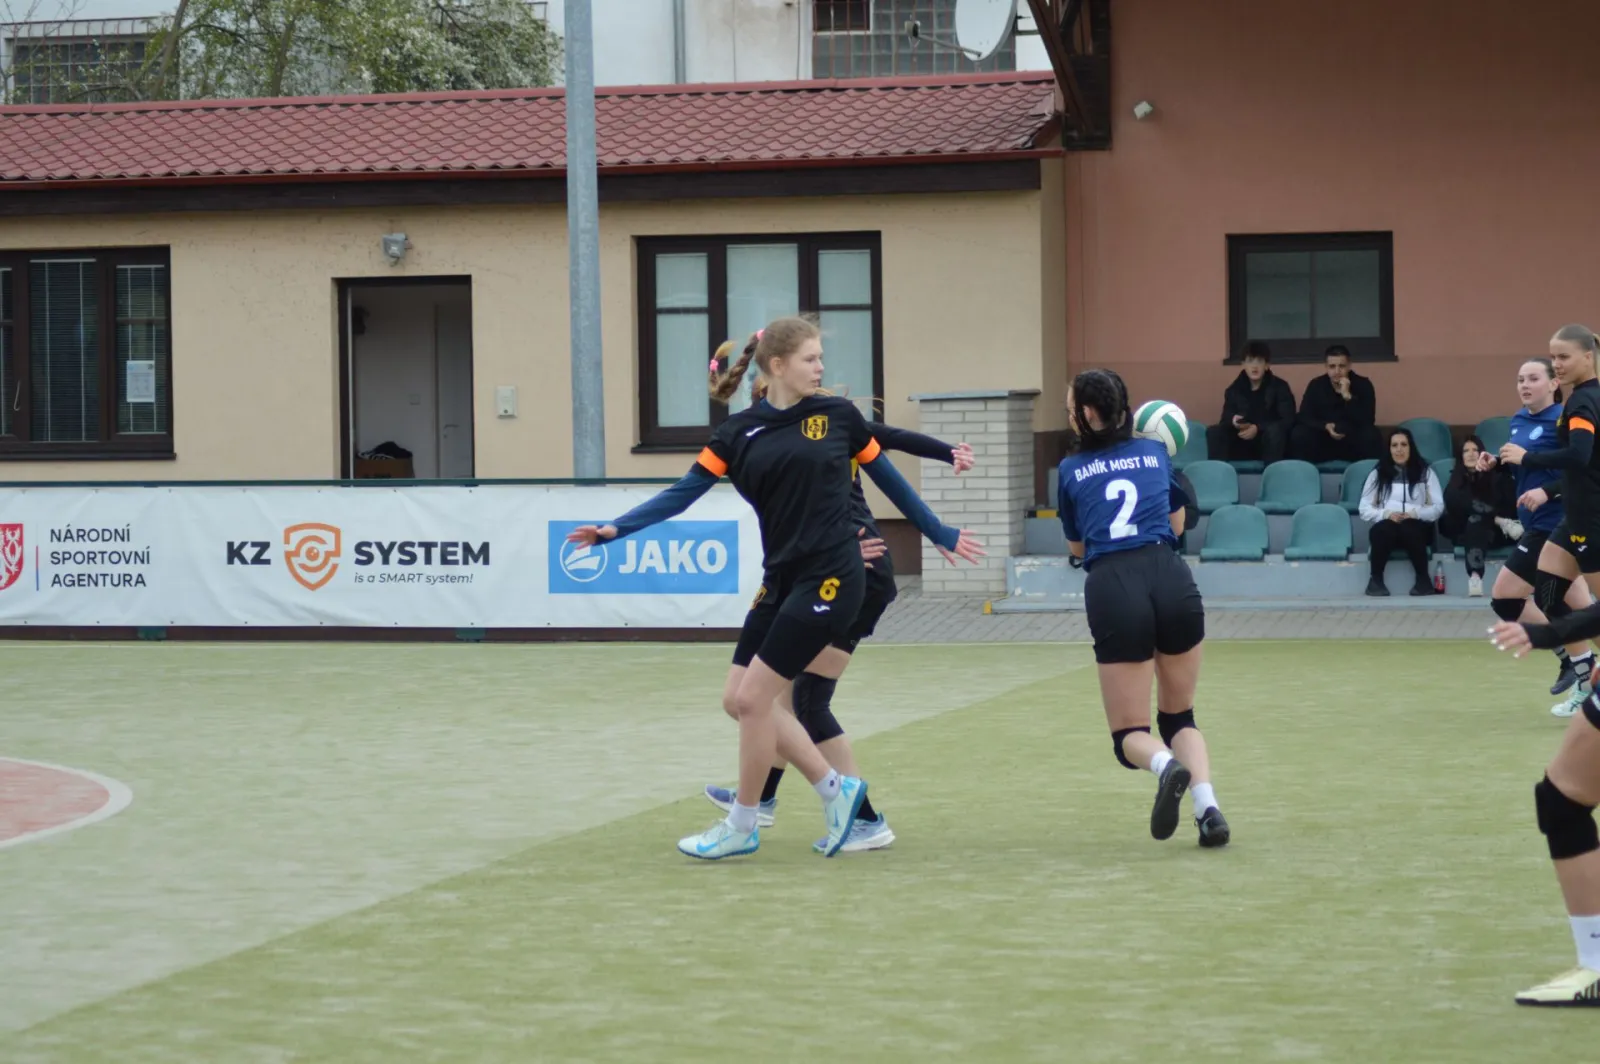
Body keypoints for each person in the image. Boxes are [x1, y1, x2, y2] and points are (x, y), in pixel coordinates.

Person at [566, 316, 982, 861]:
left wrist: (938, 531)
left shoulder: (838, 417)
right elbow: (683, 493)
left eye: (820, 357)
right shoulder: (736, 434)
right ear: (778, 366)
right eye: (811, 358)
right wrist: (616, 529)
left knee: (760, 699)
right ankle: (836, 793)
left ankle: (748, 820)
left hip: (833, 574)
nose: (821, 367)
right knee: (737, 700)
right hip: (781, 577)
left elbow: (890, 479)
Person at [703, 365, 977, 853]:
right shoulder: (777, 430)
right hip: (826, 567)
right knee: (778, 697)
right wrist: (945, 453)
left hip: (853, 570)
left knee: (798, 700)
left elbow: (890, 443)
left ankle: (863, 818)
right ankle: (762, 797)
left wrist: (945, 459)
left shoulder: (827, 421)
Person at [1056, 367, 1229, 848]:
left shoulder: (1070, 470)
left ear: (1088, 413)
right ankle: (1209, 810)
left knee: (1129, 735)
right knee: (1179, 717)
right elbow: (1178, 526)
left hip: (1114, 584)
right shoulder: (1154, 453)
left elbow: (1076, 548)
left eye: (1070, 407)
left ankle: (1165, 767)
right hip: (1170, 577)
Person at [1478, 355, 1597, 715]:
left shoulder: (1564, 418)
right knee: (1577, 609)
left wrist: (1548, 492)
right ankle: (1582, 672)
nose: (1525, 385)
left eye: (1533, 378)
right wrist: (1496, 462)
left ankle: (1581, 669)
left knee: (1508, 597)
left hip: (1558, 524)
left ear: (1553, 384)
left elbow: (1579, 466)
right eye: (1520, 379)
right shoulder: (1519, 420)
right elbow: (1523, 463)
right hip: (1540, 525)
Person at [1359, 427, 1444, 597]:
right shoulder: (1377, 474)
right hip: (1388, 527)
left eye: (1404, 445)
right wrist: (1385, 514)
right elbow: (1364, 508)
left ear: (1411, 447)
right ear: (1389, 449)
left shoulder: (1426, 473)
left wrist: (1415, 513)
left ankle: (1423, 581)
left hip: (1416, 527)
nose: (1399, 449)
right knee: (1382, 530)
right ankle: (1375, 581)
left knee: (1410, 527)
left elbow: (1438, 507)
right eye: (1394, 445)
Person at [1441, 434, 1517, 597]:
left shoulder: (1497, 477)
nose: (1471, 454)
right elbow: (1453, 504)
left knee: (1476, 518)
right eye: (1466, 451)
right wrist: (1496, 518)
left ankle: (1476, 577)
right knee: (1473, 519)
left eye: (1475, 450)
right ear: (1460, 456)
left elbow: (1509, 505)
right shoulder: (1455, 481)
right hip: (1467, 534)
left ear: (1482, 453)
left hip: (1496, 535)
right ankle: (1475, 576)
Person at [1291, 345, 1382, 465]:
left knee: (1372, 435)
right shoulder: (1316, 385)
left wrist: (1348, 396)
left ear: (1349, 366)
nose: (1337, 371)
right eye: (1332, 366)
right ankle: (1303, 473)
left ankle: (1369, 474)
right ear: (1326, 367)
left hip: (1352, 439)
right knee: (1299, 433)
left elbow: (1368, 419)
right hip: (1324, 438)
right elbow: (1304, 416)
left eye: (1341, 366)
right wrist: (1325, 426)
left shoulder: (1363, 384)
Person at [1207, 340, 1294, 465]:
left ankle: (1272, 473)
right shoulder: (1234, 389)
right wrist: (1234, 421)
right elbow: (1225, 418)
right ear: (1243, 365)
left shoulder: (1280, 387)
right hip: (1242, 440)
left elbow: (1288, 419)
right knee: (1214, 432)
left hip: (1269, 442)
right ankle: (1218, 472)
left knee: (1275, 432)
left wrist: (1258, 428)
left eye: (1259, 361)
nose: (1254, 366)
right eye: (1250, 361)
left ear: (1267, 365)